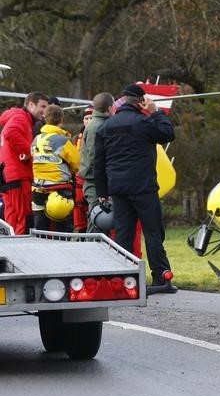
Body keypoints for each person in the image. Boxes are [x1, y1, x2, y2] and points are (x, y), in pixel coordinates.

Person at [94, 84, 177, 292]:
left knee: (123, 233)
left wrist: (102, 193)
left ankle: (123, 279)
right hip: (144, 188)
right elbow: (168, 133)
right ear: (141, 101)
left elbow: (99, 163)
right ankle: (160, 277)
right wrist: (155, 112)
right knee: (152, 232)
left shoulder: (105, 128)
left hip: (118, 189)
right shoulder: (144, 122)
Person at [0, 91, 49, 234]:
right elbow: (11, 132)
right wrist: (28, 152)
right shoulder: (21, 118)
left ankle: (9, 250)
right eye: (43, 106)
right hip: (18, 176)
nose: (45, 111)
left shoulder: (17, 117)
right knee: (24, 218)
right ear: (31, 104)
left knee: (12, 218)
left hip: (8, 176)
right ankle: (20, 252)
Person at [31, 105, 80, 232]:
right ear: (61, 120)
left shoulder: (36, 139)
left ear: (45, 119)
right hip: (60, 190)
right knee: (63, 231)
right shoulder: (63, 140)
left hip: (38, 189)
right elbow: (77, 164)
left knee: (40, 230)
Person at [79, 93, 115, 214]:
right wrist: (102, 189)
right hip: (95, 183)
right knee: (97, 223)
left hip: (96, 182)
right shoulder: (97, 127)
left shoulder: (97, 124)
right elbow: (95, 158)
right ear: (109, 108)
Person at [73, 105, 94, 232]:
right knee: (80, 218)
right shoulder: (76, 139)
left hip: (92, 179)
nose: (89, 120)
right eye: (86, 118)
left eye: (91, 117)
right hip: (78, 181)